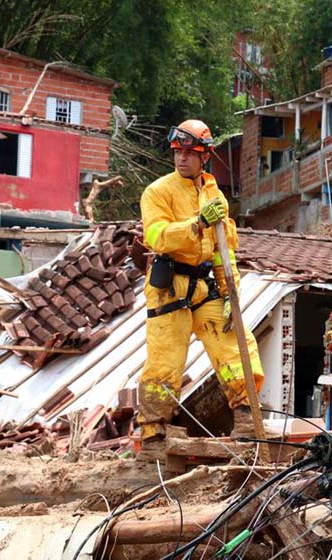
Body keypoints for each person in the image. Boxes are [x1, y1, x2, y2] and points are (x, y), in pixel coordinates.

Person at [137, 118, 263, 456]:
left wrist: (230, 290)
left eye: (189, 154)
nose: (181, 159)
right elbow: (157, 236)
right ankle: (153, 434)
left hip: (205, 285)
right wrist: (197, 223)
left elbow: (224, 247)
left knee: (236, 345)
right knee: (165, 359)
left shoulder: (213, 193)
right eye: (178, 152)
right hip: (170, 285)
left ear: (204, 157)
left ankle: (247, 419)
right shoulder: (158, 191)